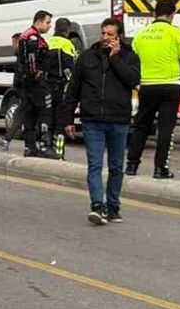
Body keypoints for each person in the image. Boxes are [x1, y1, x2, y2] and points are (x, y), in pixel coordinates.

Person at [59, 18, 141, 225]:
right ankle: (97, 205)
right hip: (92, 119)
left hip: (118, 120)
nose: (105, 38)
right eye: (103, 33)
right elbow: (73, 89)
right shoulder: (87, 57)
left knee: (116, 166)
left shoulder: (130, 57)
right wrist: (68, 118)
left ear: (119, 37)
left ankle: (113, 207)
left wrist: (115, 59)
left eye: (110, 35)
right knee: (95, 165)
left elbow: (133, 81)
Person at [126, 0, 180, 178]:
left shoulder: (141, 35)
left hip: (147, 86)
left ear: (154, 14)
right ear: (172, 15)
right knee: (165, 128)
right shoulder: (175, 33)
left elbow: (133, 58)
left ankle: (132, 165)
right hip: (170, 86)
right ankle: (159, 168)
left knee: (140, 126)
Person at [17, 10, 59, 158]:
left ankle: (30, 147)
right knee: (45, 111)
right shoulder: (33, 37)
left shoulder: (25, 35)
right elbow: (32, 59)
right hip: (36, 83)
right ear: (39, 21)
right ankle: (43, 146)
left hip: (27, 82)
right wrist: (37, 74)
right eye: (47, 23)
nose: (49, 26)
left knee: (30, 113)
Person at [48, 18, 79, 159]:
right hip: (61, 89)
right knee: (60, 124)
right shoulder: (67, 44)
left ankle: (45, 148)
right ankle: (59, 153)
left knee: (48, 120)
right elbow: (69, 68)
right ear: (68, 30)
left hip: (46, 88)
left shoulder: (47, 42)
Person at [0, 32, 25, 151]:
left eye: (13, 43)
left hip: (25, 91)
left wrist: (17, 88)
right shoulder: (22, 56)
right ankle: (6, 140)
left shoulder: (23, 57)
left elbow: (21, 75)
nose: (13, 46)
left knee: (20, 115)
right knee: (20, 116)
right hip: (25, 91)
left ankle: (7, 140)